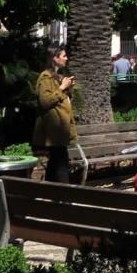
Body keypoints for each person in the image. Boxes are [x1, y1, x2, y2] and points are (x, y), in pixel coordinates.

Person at [33, 44, 77, 183]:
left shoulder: (57, 77)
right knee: (61, 165)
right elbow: (45, 101)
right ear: (54, 58)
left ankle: (50, 192)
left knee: (55, 164)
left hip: (60, 130)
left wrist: (68, 89)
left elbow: (61, 98)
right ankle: (64, 195)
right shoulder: (45, 78)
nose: (66, 58)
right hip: (54, 131)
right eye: (63, 56)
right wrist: (62, 87)